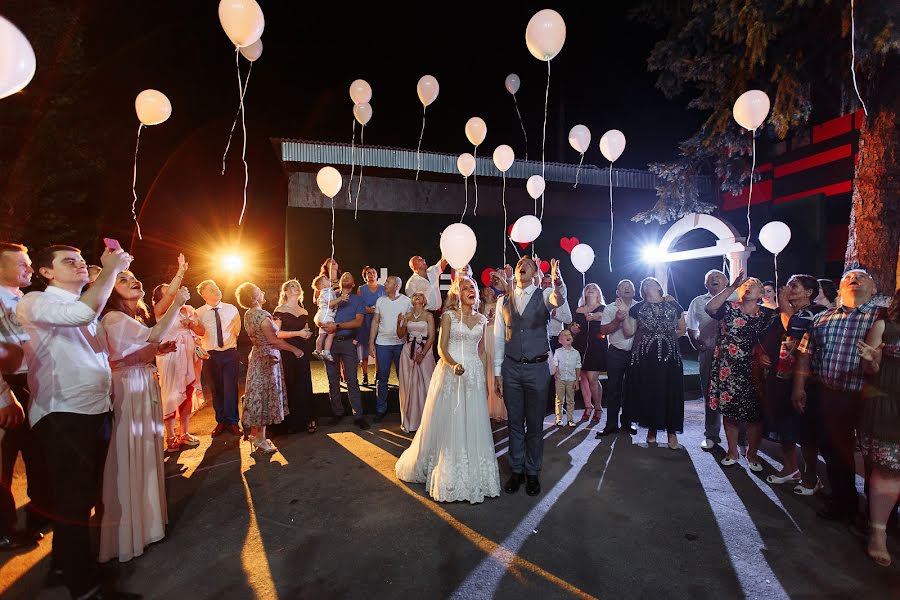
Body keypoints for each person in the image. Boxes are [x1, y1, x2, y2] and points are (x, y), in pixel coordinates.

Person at [17, 244, 134, 599]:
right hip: (64, 413)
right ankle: (84, 588)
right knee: (74, 503)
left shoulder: (87, 304)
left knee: (89, 497)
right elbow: (81, 317)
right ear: (46, 272)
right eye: (69, 261)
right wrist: (111, 270)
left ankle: (74, 565)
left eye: (82, 260)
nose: (81, 265)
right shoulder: (36, 301)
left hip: (94, 410)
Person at [97, 269, 188, 563]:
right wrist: (177, 303)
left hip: (142, 382)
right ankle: (129, 533)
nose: (133, 281)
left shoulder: (131, 317)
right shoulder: (113, 317)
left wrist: (156, 350)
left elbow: (143, 344)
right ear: (111, 290)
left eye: (135, 277)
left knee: (146, 452)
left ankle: (148, 524)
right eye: (122, 279)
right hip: (129, 388)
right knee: (130, 453)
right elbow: (153, 333)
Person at [396, 276, 501, 503]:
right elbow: (441, 348)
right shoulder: (448, 316)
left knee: (472, 420)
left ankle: (475, 475)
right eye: (465, 288)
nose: (470, 290)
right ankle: (445, 473)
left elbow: (482, 351)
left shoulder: (482, 319)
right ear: (457, 294)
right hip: (451, 372)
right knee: (450, 420)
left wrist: (482, 379)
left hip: (472, 374)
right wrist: (453, 365)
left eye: (472, 287)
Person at [793, 269, 886, 523]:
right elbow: (805, 353)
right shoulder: (822, 319)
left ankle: (878, 515)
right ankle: (844, 504)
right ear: (839, 288)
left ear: (874, 289)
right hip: (831, 395)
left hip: (871, 399)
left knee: (874, 457)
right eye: (847, 277)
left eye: (863, 277)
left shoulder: (883, 317)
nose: (854, 279)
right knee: (835, 452)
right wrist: (798, 386)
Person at [494, 256, 567, 496]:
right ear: (515, 272)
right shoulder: (503, 300)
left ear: (535, 272)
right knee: (515, 422)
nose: (521, 266)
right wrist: (497, 372)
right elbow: (497, 338)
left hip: (537, 369)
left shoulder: (545, 294)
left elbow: (558, 298)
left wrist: (557, 281)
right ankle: (517, 470)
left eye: (527, 265)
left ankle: (533, 471)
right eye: (518, 265)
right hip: (512, 368)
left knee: (534, 424)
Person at [0, 242, 51, 551]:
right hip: (9, 385)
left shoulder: (22, 299)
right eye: (22, 264)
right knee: (3, 463)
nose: (29, 269)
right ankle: (4, 530)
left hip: (29, 383)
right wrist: (4, 396)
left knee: (37, 455)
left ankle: (37, 516)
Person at [759, 275, 826, 490]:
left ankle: (811, 476)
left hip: (804, 379)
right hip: (780, 376)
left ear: (809, 292)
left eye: (794, 286)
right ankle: (791, 468)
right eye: (788, 286)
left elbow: (791, 334)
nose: (788, 289)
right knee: (783, 425)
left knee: (806, 431)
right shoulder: (780, 313)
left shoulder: (814, 312)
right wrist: (761, 353)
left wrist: (784, 303)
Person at [706, 273, 775, 470]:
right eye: (743, 285)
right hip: (728, 367)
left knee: (754, 413)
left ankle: (752, 454)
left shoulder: (767, 315)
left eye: (751, 285)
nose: (746, 288)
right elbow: (710, 308)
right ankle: (732, 451)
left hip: (753, 369)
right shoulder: (728, 308)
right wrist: (731, 287)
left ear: (761, 292)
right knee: (730, 411)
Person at [857, 289, 900, 566]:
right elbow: (869, 368)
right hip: (890, 405)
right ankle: (878, 534)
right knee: (888, 472)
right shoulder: (886, 327)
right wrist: (872, 361)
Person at [236, 282, 303, 454]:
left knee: (257, 394)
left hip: (258, 355)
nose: (263, 291)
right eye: (259, 291)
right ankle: (260, 439)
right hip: (268, 358)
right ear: (254, 297)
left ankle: (256, 435)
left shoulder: (248, 314)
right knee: (264, 396)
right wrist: (294, 349)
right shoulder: (262, 315)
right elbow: (274, 340)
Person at [625, 277, 686, 450]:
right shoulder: (636, 308)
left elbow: (682, 328)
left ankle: (671, 433)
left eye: (651, 282)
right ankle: (651, 430)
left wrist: (665, 338)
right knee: (650, 391)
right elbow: (629, 331)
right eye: (644, 284)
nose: (647, 284)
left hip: (670, 356)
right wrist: (622, 315)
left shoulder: (674, 305)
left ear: (659, 286)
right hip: (645, 357)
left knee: (670, 391)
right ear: (642, 290)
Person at [151, 254, 204, 453]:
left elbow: (202, 331)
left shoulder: (188, 309)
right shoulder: (161, 311)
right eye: (168, 295)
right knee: (171, 394)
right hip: (170, 355)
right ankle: (170, 436)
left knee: (188, 393)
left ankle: (184, 432)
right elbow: (170, 297)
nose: (173, 297)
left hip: (190, 355)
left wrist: (192, 324)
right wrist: (180, 272)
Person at [686, 269, 734, 450]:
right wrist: (695, 343)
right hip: (708, 351)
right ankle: (712, 434)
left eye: (718, 277)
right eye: (710, 278)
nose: (714, 279)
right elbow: (691, 326)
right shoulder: (698, 302)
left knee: (735, 394)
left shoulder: (737, 297)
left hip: (733, 354)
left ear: (727, 281)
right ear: (705, 284)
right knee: (710, 393)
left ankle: (741, 438)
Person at [322, 271, 370, 430]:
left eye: (349, 276)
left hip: (348, 343)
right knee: (332, 379)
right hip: (330, 344)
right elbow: (320, 311)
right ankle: (337, 413)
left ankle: (358, 415)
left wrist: (337, 326)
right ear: (340, 282)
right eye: (344, 276)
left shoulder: (358, 300)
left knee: (352, 380)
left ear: (354, 283)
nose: (346, 277)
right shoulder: (332, 297)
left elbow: (358, 322)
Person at [196, 279, 242, 437]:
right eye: (210, 289)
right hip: (210, 355)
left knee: (231, 387)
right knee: (216, 389)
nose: (215, 290)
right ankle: (221, 421)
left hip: (229, 352)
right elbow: (197, 334)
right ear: (203, 295)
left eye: (216, 287)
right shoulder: (198, 312)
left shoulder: (231, 309)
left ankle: (233, 421)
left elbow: (237, 331)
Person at [273, 279, 316, 434]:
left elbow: (306, 329)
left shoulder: (304, 311)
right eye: (292, 286)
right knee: (290, 382)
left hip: (302, 349)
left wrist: (306, 334)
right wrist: (298, 333)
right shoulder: (280, 309)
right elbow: (276, 333)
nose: (296, 287)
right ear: (285, 291)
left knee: (304, 382)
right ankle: (291, 422)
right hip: (286, 350)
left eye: (298, 286)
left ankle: (307, 419)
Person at [368, 276, 412, 422]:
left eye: (388, 282)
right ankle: (381, 409)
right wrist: (371, 343)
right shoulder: (380, 300)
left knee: (404, 378)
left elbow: (411, 324)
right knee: (382, 377)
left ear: (397, 286)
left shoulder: (406, 302)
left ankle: (406, 409)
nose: (384, 284)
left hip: (401, 344)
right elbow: (375, 322)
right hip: (382, 344)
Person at [597, 280, 637, 437]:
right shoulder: (609, 308)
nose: (627, 288)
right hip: (616, 352)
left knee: (631, 389)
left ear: (634, 292)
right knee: (614, 390)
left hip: (635, 354)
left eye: (630, 287)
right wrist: (618, 320)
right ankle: (611, 425)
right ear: (617, 292)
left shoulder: (640, 307)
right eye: (623, 287)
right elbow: (603, 330)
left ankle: (628, 423)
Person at [397, 291, 436, 433]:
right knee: (409, 384)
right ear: (412, 300)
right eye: (414, 296)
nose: (417, 297)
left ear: (424, 300)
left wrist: (423, 353)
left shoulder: (428, 316)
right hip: (408, 351)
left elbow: (432, 337)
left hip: (424, 350)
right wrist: (398, 322)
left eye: (420, 295)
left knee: (426, 383)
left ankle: (428, 421)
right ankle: (411, 420)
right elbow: (401, 334)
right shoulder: (408, 315)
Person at [570, 283, 607, 424]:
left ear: (598, 293)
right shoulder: (579, 309)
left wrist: (596, 315)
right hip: (579, 346)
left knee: (593, 379)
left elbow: (608, 318)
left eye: (594, 288)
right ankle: (588, 406)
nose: (591, 290)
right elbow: (575, 327)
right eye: (588, 288)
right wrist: (573, 329)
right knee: (583, 378)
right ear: (584, 293)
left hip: (596, 346)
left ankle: (598, 407)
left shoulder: (603, 309)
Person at [480, 285, 506, 421]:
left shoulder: (499, 303)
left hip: (495, 337)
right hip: (485, 338)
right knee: (487, 371)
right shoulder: (480, 307)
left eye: (491, 289)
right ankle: (487, 408)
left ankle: (499, 410)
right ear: (483, 294)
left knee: (497, 371)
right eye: (486, 290)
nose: (489, 290)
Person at [357, 266, 384, 385]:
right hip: (365, 322)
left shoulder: (383, 288)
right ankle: (365, 375)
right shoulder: (361, 289)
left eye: (373, 272)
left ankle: (378, 374)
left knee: (378, 349)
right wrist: (373, 310)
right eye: (368, 273)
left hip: (379, 322)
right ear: (365, 276)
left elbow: (385, 305)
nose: (371, 274)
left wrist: (376, 312)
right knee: (364, 349)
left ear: (377, 274)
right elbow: (359, 307)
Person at [551, 329, 581, 427]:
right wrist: (556, 374)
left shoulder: (576, 353)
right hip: (560, 379)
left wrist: (577, 380)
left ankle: (570, 419)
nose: (568, 336)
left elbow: (578, 367)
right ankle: (558, 418)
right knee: (559, 399)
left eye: (569, 334)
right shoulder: (558, 352)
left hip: (571, 379)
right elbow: (555, 364)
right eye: (564, 335)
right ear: (560, 340)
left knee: (570, 400)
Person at [311, 274, 338, 362]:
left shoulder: (324, 292)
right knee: (331, 332)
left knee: (322, 335)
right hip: (326, 315)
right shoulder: (327, 292)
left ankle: (317, 350)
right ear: (323, 285)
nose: (329, 279)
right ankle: (326, 351)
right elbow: (331, 303)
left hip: (321, 315)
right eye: (326, 279)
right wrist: (341, 298)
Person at [543, 273, 572, 351]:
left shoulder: (561, 300)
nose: (547, 285)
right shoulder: (538, 299)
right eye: (545, 283)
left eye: (550, 283)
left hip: (557, 339)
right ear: (541, 284)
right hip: (541, 339)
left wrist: (556, 314)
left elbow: (569, 319)